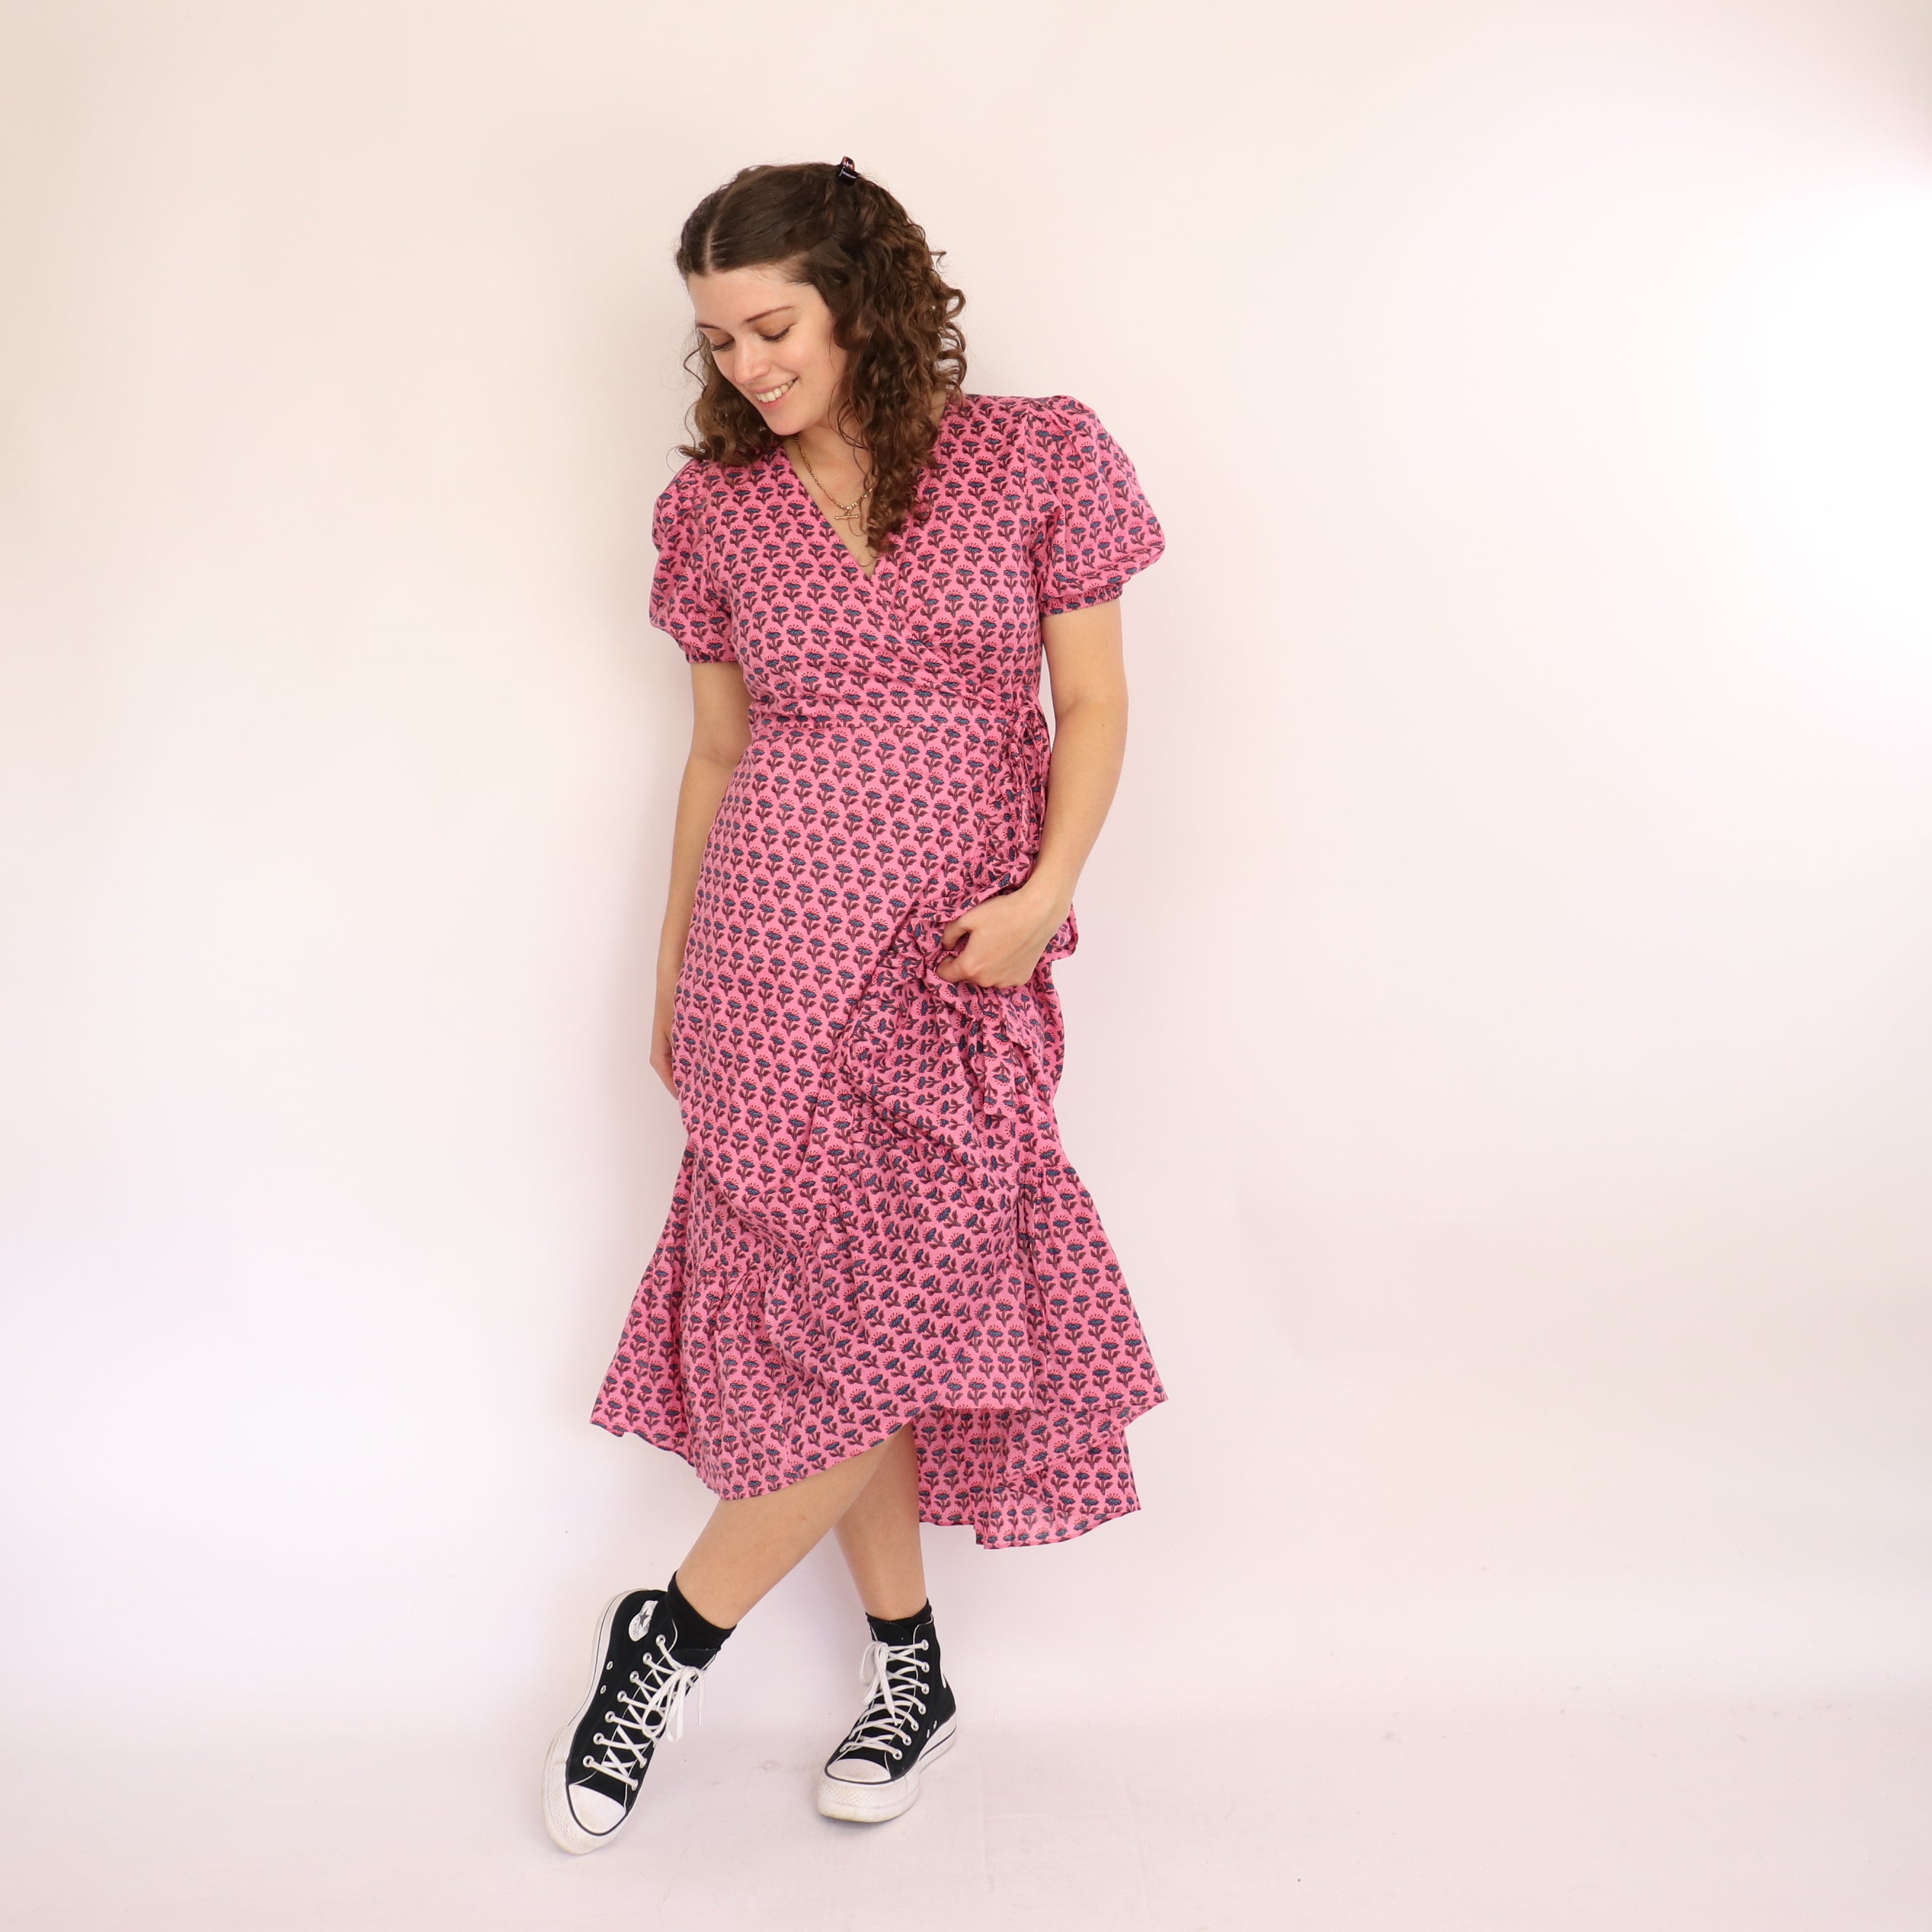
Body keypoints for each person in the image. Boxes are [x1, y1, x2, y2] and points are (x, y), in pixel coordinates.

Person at [543, 157, 1167, 1853]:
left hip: (957, 965)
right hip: (768, 959)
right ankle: (911, 1670)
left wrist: (1040, 896)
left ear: (862, 302)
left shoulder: (1038, 455)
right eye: (718, 339)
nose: (746, 365)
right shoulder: (715, 514)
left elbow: (1094, 704)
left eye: (773, 326)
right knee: (836, 1326)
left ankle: (667, 1634)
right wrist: (674, 974)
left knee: (913, 1299)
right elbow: (718, 752)